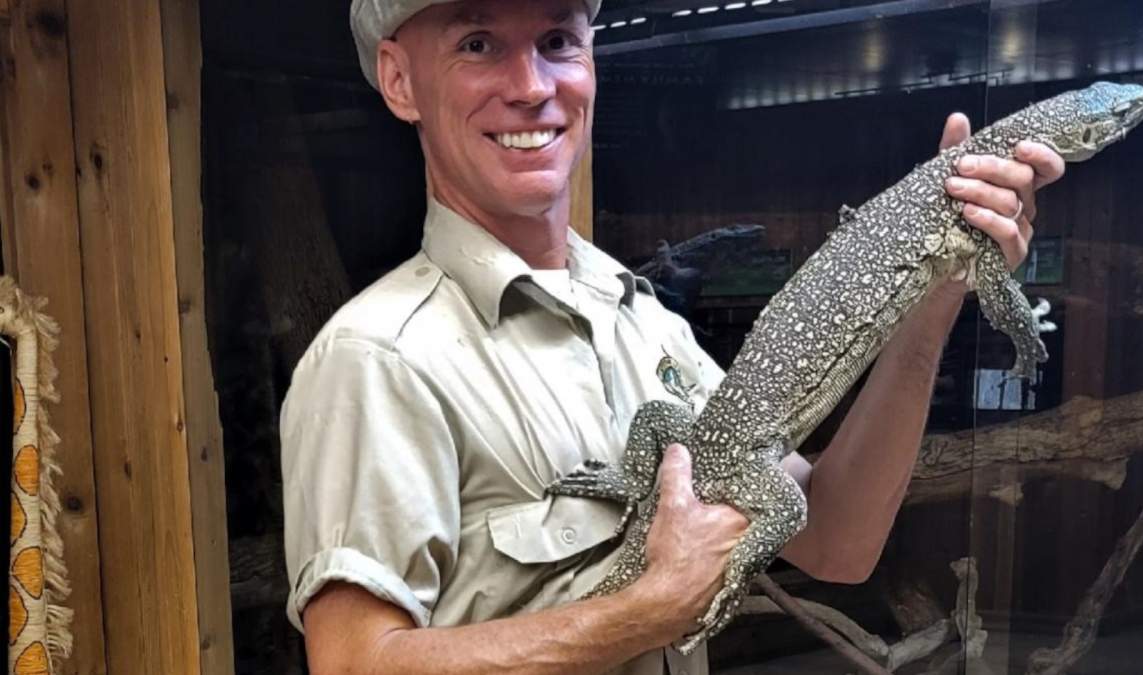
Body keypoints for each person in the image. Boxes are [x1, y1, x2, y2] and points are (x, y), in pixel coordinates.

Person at [282, 1, 1067, 673]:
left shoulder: (642, 321)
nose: (531, 86)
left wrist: (936, 289)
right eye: (477, 43)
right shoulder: (378, 358)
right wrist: (650, 607)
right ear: (398, 79)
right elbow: (352, 661)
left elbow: (837, 541)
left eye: (557, 40)